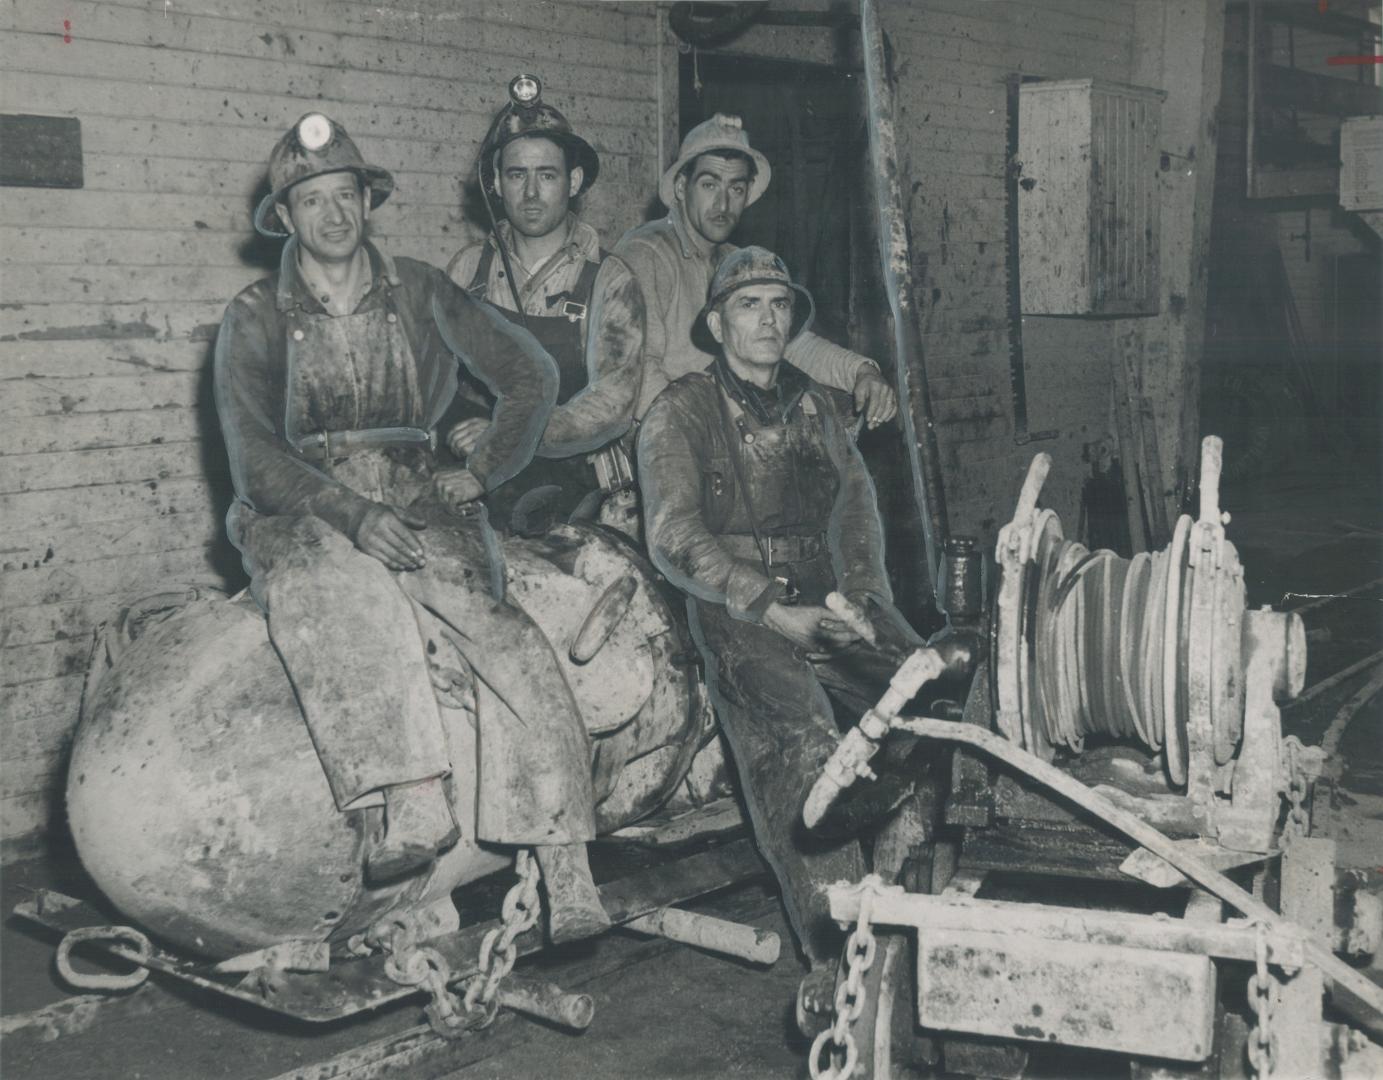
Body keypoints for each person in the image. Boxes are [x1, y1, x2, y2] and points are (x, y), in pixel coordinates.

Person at [214, 112, 608, 942]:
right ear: (285, 217)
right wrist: (353, 516)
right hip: (303, 501)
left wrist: (484, 467)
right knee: (338, 591)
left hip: (414, 482)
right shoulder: (252, 315)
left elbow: (528, 374)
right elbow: (253, 456)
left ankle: (567, 860)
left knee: (496, 629)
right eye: (311, 200)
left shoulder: (421, 289)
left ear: (368, 202)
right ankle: (410, 798)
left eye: (345, 195)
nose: (332, 215)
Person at [637, 247, 923, 966]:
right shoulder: (681, 409)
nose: (766, 320)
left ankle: (905, 903)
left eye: (778, 304)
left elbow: (855, 508)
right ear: (714, 322)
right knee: (805, 743)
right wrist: (765, 606)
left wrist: (862, 600)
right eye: (746, 304)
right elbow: (674, 533)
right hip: (736, 608)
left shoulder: (815, 405)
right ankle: (843, 960)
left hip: (827, 594)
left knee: (929, 708)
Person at [445, 75, 645, 533]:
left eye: (547, 175)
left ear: (573, 181)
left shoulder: (608, 280)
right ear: (496, 182)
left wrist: (513, 435)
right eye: (517, 175)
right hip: (472, 475)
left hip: (574, 484)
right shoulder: (468, 270)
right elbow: (434, 375)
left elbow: (612, 403)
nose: (531, 193)